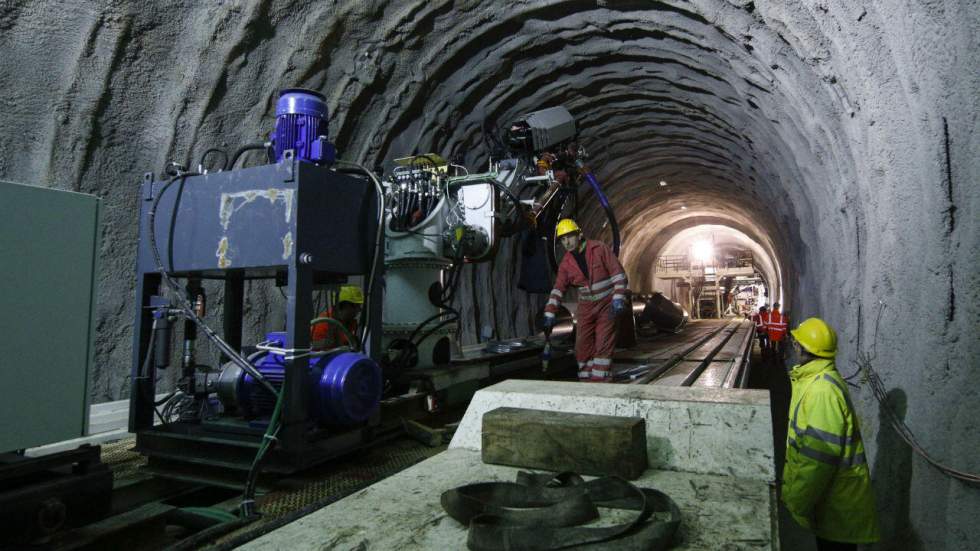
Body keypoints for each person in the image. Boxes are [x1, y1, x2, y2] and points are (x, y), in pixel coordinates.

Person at [782, 317, 879, 550]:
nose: (794, 346)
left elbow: (818, 459)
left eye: (796, 342)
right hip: (833, 499)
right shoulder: (818, 380)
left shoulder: (821, 392)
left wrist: (796, 500)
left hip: (835, 502)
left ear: (801, 348)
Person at [542, 218, 628, 382]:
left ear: (579, 234)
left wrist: (618, 298)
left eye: (570, 237)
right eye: (563, 239)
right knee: (582, 346)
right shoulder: (566, 264)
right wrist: (549, 312)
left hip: (606, 304)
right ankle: (586, 380)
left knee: (603, 343)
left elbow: (619, 275)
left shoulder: (599, 249)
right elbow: (558, 289)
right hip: (586, 307)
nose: (567, 242)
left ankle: (600, 380)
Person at [311, 285, 363, 350]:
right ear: (344, 305)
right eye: (357, 306)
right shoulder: (323, 323)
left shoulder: (350, 322)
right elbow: (312, 349)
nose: (359, 310)